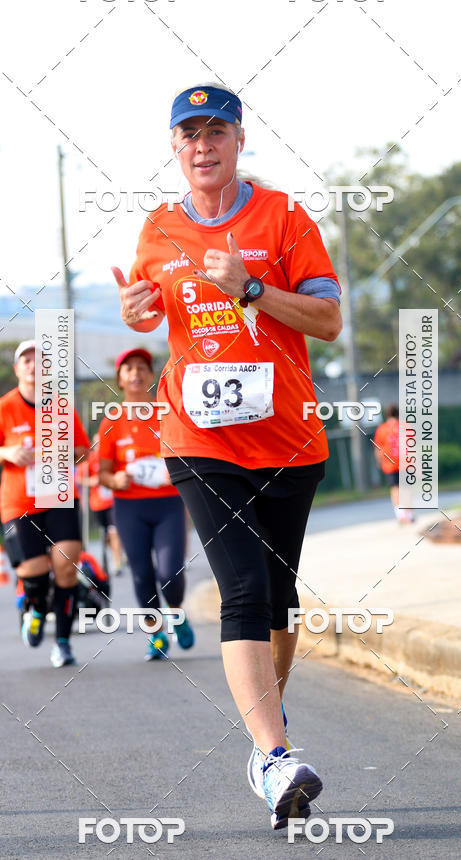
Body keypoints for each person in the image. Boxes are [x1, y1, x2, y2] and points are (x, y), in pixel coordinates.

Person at [111, 83, 342, 829]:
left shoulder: (284, 218)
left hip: (288, 439)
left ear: (240, 140)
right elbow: (151, 311)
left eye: (215, 132)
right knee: (241, 590)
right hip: (200, 439)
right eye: (189, 135)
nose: (202, 146)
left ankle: (266, 734)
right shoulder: (158, 229)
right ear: (174, 148)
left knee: (278, 601)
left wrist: (254, 289)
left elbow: (329, 319)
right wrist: (136, 314)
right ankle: (274, 756)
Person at [0, 340, 90, 667]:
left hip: (59, 497)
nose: (32, 364)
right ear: (17, 369)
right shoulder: (3, 408)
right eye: (25, 360)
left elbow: (84, 450)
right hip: (20, 503)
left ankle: (64, 643)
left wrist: (65, 454)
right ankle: (37, 607)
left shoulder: (62, 407)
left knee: (66, 568)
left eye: (38, 359)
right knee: (35, 574)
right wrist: (7, 453)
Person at [97, 348, 194, 660]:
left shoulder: (168, 413)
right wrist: (116, 481)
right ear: (120, 379)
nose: (136, 374)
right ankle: (155, 634)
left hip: (168, 505)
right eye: (129, 369)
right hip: (129, 508)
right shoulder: (112, 421)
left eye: (142, 368)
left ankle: (176, 614)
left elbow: (186, 455)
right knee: (141, 574)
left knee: (170, 573)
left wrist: (173, 471)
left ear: (152, 377)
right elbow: (102, 474)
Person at [76, 444, 124, 576]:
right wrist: (92, 481)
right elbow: (80, 479)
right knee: (107, 534)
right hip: (97, 503)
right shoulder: (89, 459)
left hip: (113, 501)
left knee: (114, 531)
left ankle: (117, 562)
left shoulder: (113, 456)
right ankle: (117, 552)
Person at [373, 404, 413, 523]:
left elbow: (378, 448)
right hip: (405, 462)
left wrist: (379, 461)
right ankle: (409, 514)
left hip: (390, 464)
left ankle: (400, 515)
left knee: (395, 488)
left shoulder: (382, 429)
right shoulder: (406, 426)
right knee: (406, 488)